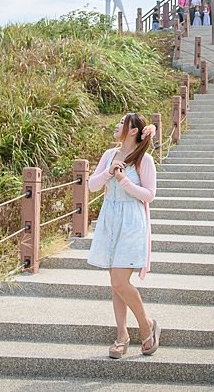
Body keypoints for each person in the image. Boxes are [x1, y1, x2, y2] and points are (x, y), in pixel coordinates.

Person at [87, 113, 160, 359]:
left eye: (121, 123)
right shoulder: (109, 155)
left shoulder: (144, 159)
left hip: (132, 222)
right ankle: (122, 336)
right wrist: (109, 173)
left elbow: (149, 195)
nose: (117, 125)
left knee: (120, 281)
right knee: (115, 284)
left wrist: (124, 180)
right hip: (110, 220)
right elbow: (92, 185)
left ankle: (146, 324)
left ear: (133, 130)